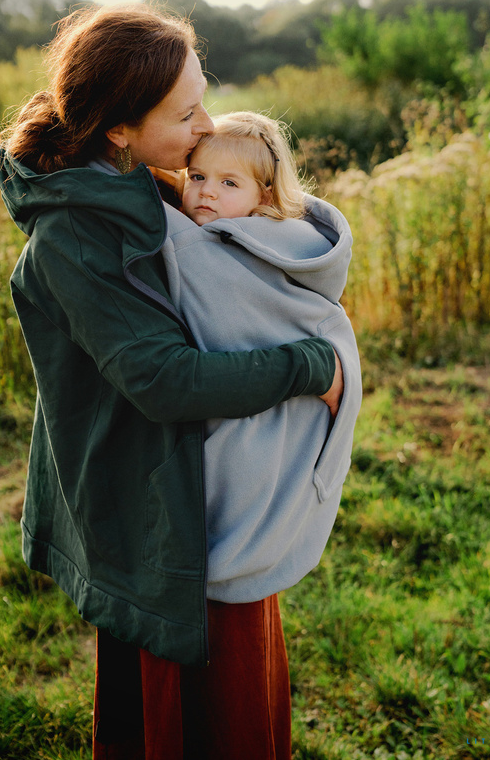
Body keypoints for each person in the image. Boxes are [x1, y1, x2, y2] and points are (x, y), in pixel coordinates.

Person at [0, 4, 345, 760]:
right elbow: (162, 380)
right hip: (153, 507)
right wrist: (309, 366)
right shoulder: (77, 232)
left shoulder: (136, 182)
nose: (205, 123)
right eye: (186, 112)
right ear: (119, 126)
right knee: (198, 722)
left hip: (196, 491)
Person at [91, 110, 362, 607]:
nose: (206, 192)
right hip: (239, 399)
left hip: (264, 412)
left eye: (228, 182)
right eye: (196, 177)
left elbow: (268, 312)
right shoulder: (216, 234)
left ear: (264, 198)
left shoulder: (231, 248)